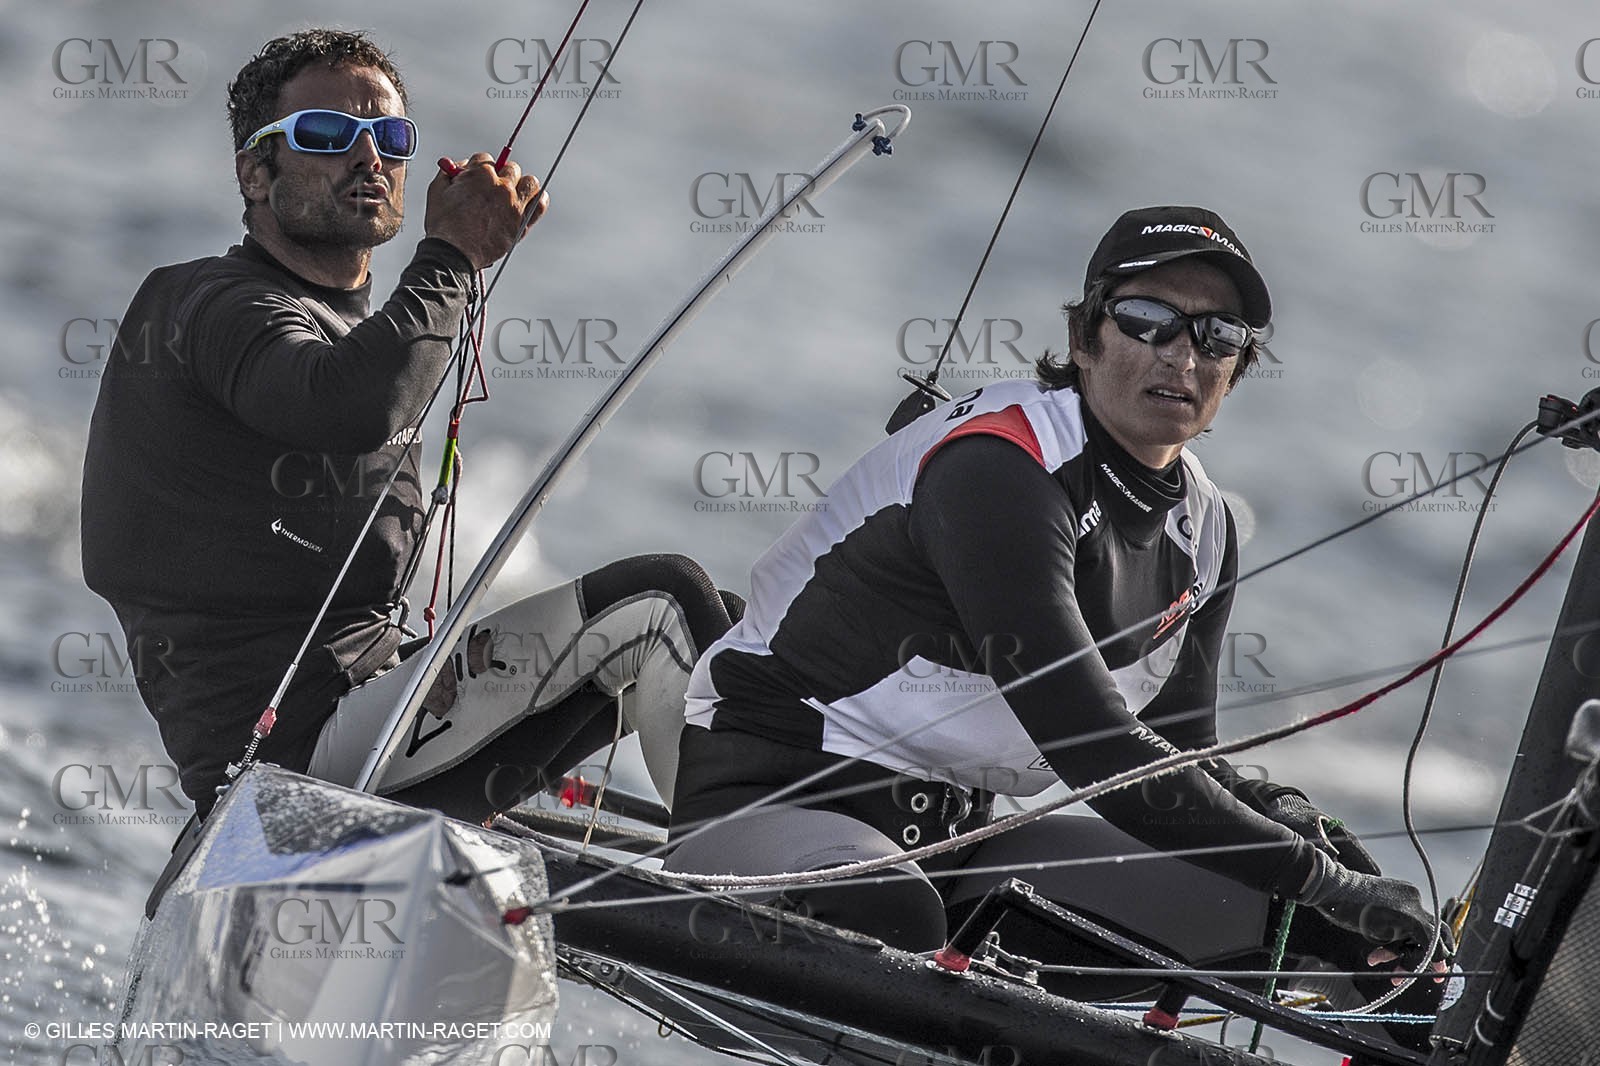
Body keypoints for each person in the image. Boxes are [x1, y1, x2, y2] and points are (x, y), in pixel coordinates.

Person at [666, 206, 1447, 1049]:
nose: (1181, 354)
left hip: (963, 847)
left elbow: (1182, 759)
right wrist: (1320, 876)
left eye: (1217, 336)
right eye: (1149, 321)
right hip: (780, 804)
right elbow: (1094, 748)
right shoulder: (1001, 468)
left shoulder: (1209, 528)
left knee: (1342, 945)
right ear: (1084, 338)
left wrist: (1304, 832)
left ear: (1236, 371)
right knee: (887, 913)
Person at [80, 29, 735, 823]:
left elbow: (364, 381)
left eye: (389, 139)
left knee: (724, 629)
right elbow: (348, 407)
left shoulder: (362, 333)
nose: (368, 158)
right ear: (255, 172)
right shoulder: (207, 304)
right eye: (326, 136)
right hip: (287, 765)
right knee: (663, 603)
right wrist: (452, 256)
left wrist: (445, 268)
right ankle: (749, 894)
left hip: (374, 714)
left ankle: (818, 862)